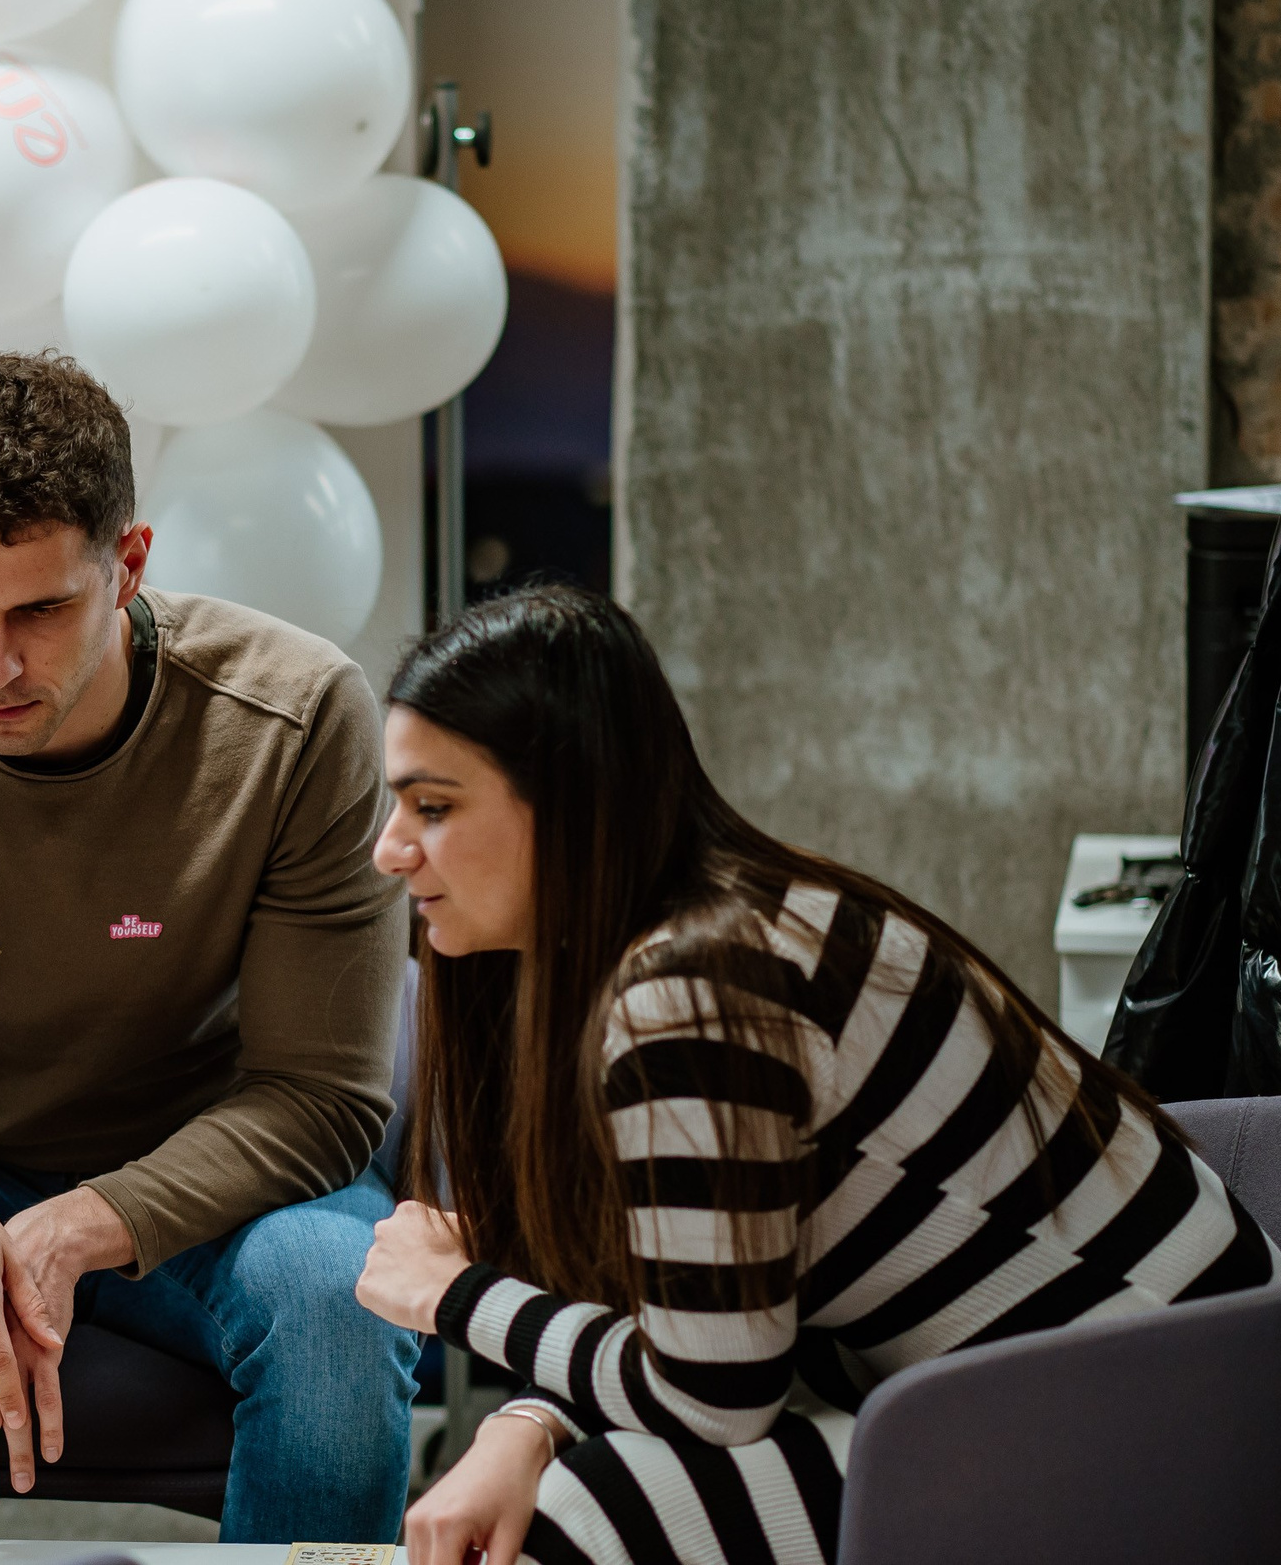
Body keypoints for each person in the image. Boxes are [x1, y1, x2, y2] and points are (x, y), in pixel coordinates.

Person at [354, 584, 1278, 1565]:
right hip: (1126, 1392)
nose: (389, 849)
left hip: (1164, 1427)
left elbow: (709, 1396)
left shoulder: (688, 993)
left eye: (435, 804)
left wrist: (455, 1294)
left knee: (583, 1511)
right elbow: (701, 1306)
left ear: (570, 801)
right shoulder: (713, 929)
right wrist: (524, 1422)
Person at [0, 348, 419, 1543]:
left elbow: (320, 1098)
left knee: (332, 1299)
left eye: (41, 611)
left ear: (131, 563)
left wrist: (74, 1224)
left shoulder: (301, 713)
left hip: (223, 1184)